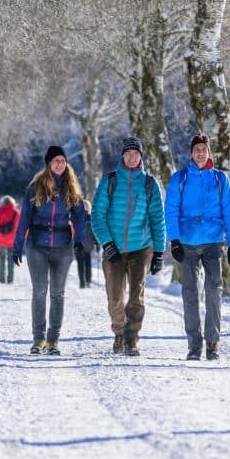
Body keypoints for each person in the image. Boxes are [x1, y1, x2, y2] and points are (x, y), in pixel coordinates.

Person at [165, 133, 230, 361]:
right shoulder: (180, 178)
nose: (200, 153)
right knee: (189, 292)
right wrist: (174, 240)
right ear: (191, 153)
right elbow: (170, 211)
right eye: (196, 149)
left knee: (213, 291)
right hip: (187, 242)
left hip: (212, 242)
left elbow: (229, 211)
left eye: (203, 149)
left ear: (208, 152)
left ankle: (213, 342)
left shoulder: (219, 179)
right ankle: (194, 345)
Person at [90, 135, 166, 356]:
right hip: (113, 248)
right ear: (122, 156)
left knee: (136, 297)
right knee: (115, 297)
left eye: (136, 154)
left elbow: (157, 219)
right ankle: (119, 333)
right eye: (128, 153)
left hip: (140, 248)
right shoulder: (110, 180)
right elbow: (97, 215)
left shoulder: (150, 183)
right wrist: (107, 243)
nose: (132, 157)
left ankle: (132, 338)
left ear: (141, 157)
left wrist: (159, 251)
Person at [12, 146, 88, 356]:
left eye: (63, 160)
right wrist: (17, 247)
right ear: (48, 163)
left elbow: (80, 218)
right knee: (39, 292)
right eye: (56, 160)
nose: (60, 164)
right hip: (37, 245)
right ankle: (38, 339)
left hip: (63, 247)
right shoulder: (35, 187)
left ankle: (53, 340)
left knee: (57, 294)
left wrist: (80, 240)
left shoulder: (71, 188)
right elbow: (24, 218)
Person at [0, 196, 21, 284]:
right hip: (13, 241)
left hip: (2, 240)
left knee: (2, 258)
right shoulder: (17, 213)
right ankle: (10, 279)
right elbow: (23, 227)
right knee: (12, 259)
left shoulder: (0, 212)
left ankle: (1, 279)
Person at [75, 198, 99, 288]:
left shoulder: (77, 219)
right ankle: (88, 280)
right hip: (89, 245)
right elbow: (94, 234)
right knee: (88, 263)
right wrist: (97, 244)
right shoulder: (92, 220)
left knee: (80, 264)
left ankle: (82, 282)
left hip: (79, 245)